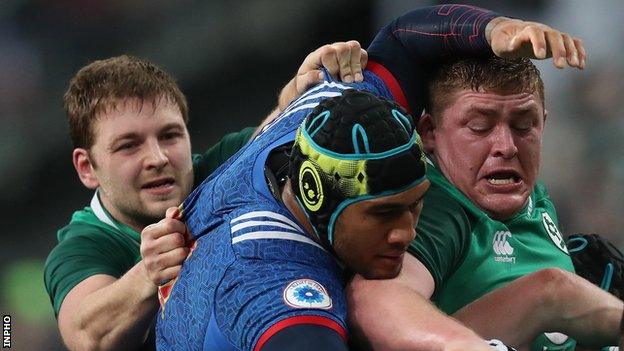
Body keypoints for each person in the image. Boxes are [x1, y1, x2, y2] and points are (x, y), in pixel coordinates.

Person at [154, 5, 590, 350]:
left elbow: (404, 39)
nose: (406, 233)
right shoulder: (281, 285)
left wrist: (493, 29)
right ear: (314, 195)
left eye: (415, 205)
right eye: (383, 213)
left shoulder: (329, 106)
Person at [43, 42, 368, 351]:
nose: (157, 158)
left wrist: (303, 89)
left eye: (170, 135)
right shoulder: (84, 246)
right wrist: (148, 274)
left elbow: (276, 133)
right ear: (87, 168)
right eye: (129, 145)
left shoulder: (219, 166)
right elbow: (87, 336)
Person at [346, 9, 623, 351]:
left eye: (524, 125)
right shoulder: (435, 207)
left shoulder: (530, 195)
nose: (506, 147)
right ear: (429, 132)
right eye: (479, 126)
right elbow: (375, 300)